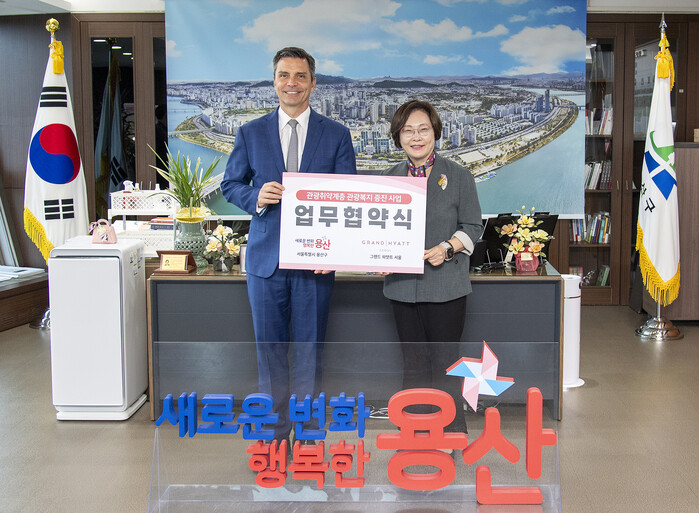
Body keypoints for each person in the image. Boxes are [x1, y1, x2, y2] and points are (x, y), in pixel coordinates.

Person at [221, 47, 357, 445]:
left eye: (300, 76)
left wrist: (335, 251)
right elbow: (230, 185)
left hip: (316, 262)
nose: (291, 83)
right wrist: (255, 196)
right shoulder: (250, 132)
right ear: (274, 81)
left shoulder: (336, 134)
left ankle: (309, 436)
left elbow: (348, 196)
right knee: (269, 353)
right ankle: (272, 435)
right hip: (266, 262)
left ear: (313, 83)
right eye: (284, 75)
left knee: (310, 353)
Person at [381, 99, 483, 435]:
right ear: (398, 138)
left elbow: (472, 226)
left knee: (445, 364)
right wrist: (378, 258)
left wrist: (447, 247)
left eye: (423, 129)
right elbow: (377, 230)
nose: (416, 137)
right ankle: (413, 431)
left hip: (446, 287)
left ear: (435, 133)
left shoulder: (458, 175)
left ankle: (451, 432)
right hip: (402, 288)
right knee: (412, 365)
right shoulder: (388, 179)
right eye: (407, 131)